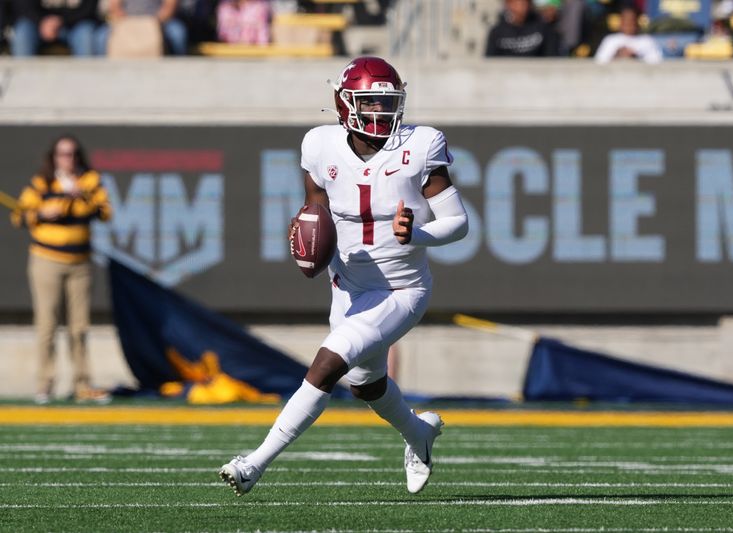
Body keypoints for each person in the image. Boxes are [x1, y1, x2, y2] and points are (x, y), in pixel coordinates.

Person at [219, 56, 469, 496]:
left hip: (401, 288)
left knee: (327, 364)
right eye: (370, 103)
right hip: (347, 286)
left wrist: (419, 233)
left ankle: (254, 463)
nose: (380, 113)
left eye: (387, 103)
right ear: (344, 104)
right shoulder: (319, 146)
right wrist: (306, 245)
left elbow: (459, 222)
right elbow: (315, 214)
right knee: (366, 385)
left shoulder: (421, 145)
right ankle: (419, 434)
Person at [10, 135, 112, 404]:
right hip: (46, 260)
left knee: (79, 327)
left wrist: (82, 195)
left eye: (72, 154)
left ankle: (82, 384)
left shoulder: (89, 180)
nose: (68, 159)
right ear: (54, 157)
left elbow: (105, 212)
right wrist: (41, 213)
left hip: (80, 263)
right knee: (47, 324)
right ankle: (45, 384)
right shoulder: (42, 182)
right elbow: (19, 215)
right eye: (62, 154)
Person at [94, 0, 188, 55]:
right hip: (126, 22)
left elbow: (169, 6)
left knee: (178, 33)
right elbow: (114, 7)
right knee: (101, 38)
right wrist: (129, 22)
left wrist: (155, 22)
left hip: (158, 21)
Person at [11, 0, 98, 57]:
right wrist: (41, 21)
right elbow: (22, 5)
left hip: (74, 23)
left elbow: (89, 8)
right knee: (23, 32)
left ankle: (85, 82)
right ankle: (24, 81)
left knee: (85, 34)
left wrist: (61, 20)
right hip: (38, 23)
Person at [485, 0, 561, 57]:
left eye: (525, 3)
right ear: (508, 4)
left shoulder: (544, 29)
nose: (522, 7)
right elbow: (490, 61)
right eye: (517, 3)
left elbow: (551, 59)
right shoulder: (497, 32)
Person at [594, 4, 663, 64]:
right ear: (620, 23)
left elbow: (657, 62)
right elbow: (599, 62)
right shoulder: (610, 40)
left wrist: (635, 56)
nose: (628, 25)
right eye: (625, 21)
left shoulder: (647, 40)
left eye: (631, 21)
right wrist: (617, 55)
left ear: (637, 22)